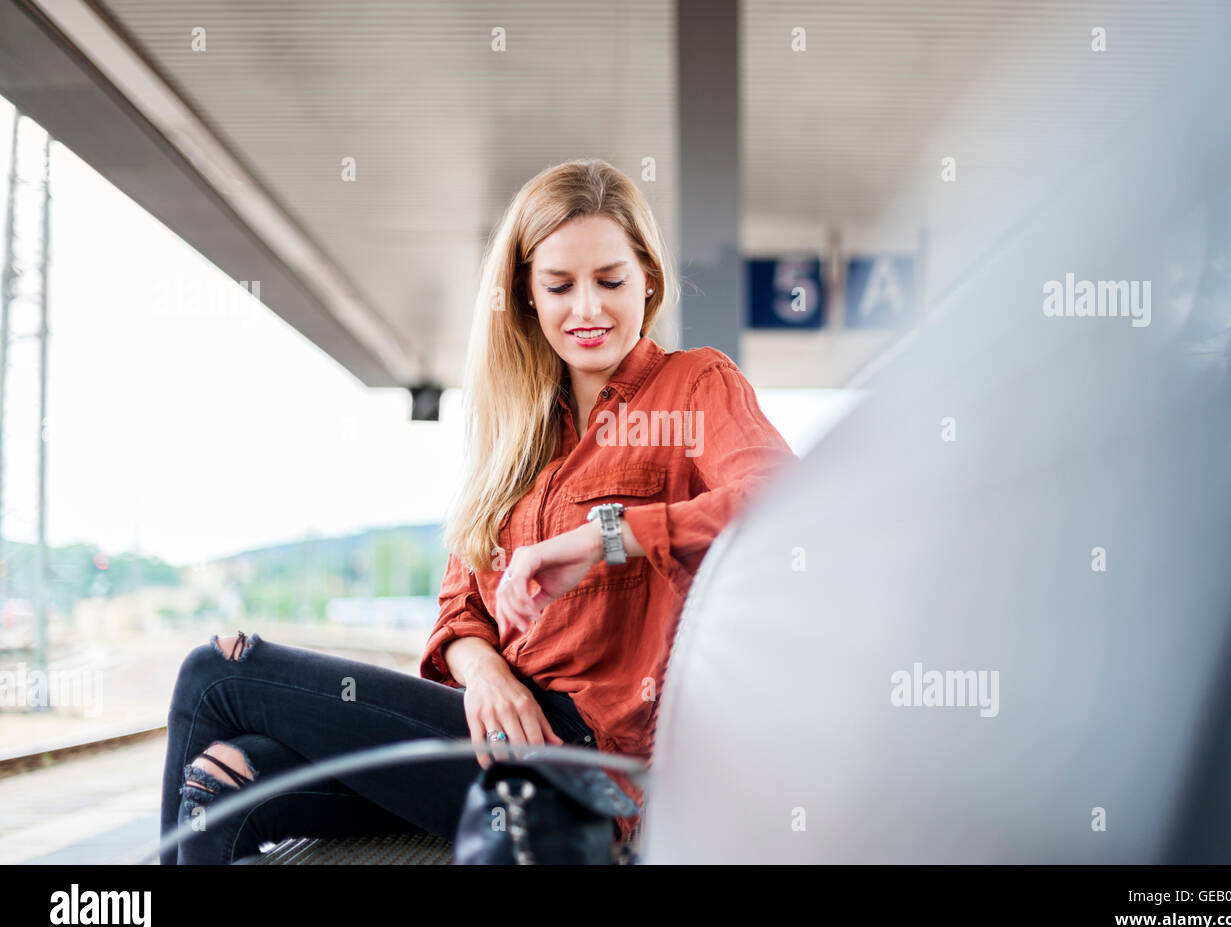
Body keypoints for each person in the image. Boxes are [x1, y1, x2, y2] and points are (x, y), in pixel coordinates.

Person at [159, 158, 798, 864]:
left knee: (218, 672)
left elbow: (784, 501)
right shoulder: (517, 431)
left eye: (610, 280)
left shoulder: (694, 385)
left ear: (647, 276)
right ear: (526, 296)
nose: (587, 309)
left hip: (578, 760)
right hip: (483, 734)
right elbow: (458, 610)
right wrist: (488, 674)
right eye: (558, 286)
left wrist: (604, 536)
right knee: (222, 774)